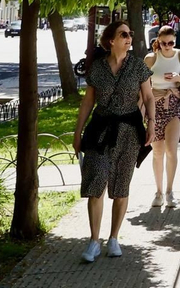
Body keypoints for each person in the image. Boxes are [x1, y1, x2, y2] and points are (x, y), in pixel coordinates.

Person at [72, 19, 155, 263]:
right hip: (99, 130)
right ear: (111, 41)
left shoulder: (138, 66)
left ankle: (114, 238)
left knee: (121, 186)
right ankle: (94, 241)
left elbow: (148, 97)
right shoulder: (97, 68)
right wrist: (77, 132)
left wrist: (151, 122)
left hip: (129, 132)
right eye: (123, 34)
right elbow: (88, 102)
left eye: (129, 34)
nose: (129, 38)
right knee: (96, 181)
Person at [145, 24, 180, 209]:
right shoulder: (151, 59)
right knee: (157, 151)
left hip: (175, 106)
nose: (167, 46)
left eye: (171, 43)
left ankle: (169, 191)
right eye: (164, 43)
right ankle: (158, 192)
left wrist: (178, 78)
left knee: (171, 150)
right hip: (155, 106)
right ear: (158, 42)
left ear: (175, 41)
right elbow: (142, 85)